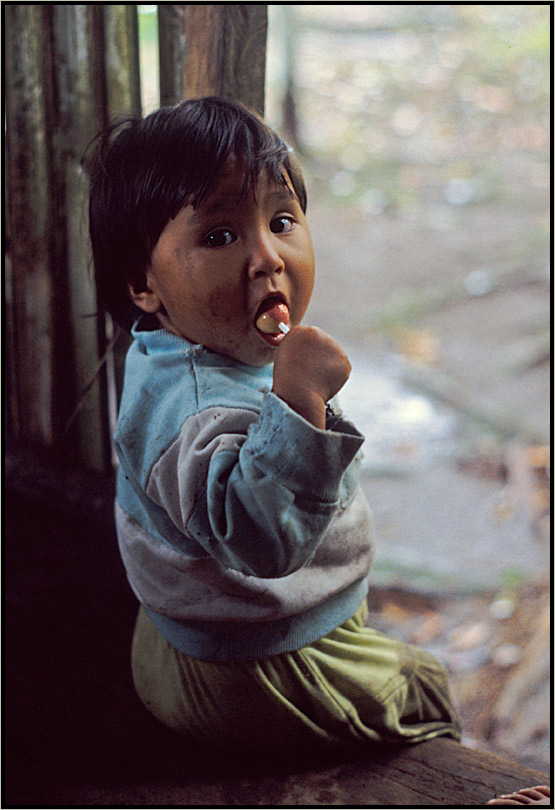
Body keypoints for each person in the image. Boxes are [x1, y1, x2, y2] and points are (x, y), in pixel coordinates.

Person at [84, 96, 462, 751]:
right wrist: (295, 399)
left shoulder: (171, 344)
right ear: (142, 285)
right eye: (219, 236)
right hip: (255, 671)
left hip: (185, 636)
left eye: (281, 220)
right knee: (423, 686)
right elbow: (260, 543)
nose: (267, 258)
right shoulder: (201, 408)